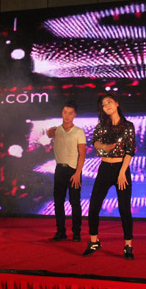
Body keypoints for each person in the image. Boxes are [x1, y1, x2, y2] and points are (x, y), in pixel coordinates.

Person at [83, 94, 136, 260]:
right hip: (104, 168)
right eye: (104, 104)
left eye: (109, 102)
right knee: (93, 206)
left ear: (117, 104)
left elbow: (130, 150)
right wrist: (103, 146)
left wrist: (122, 172)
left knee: (124, 209)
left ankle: (128, 246)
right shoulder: (101, 126)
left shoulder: (127, 126)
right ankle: (94, 242)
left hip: (121, 168)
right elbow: (95, 142)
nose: (107, 105)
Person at [46, 101, 86, 242]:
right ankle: (60, 232)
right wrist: (50, 132)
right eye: (65, 112)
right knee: (58, 202)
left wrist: (77, 173)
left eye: (70, 113)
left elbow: (82, 154)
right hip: (59, 169)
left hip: (73, 170)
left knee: (75, 202)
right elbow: (49, 134)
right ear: (62, 113)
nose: (67, 116)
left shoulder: (79, 132)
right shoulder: (56, 130)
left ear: (75, 115)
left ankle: (76, 233)